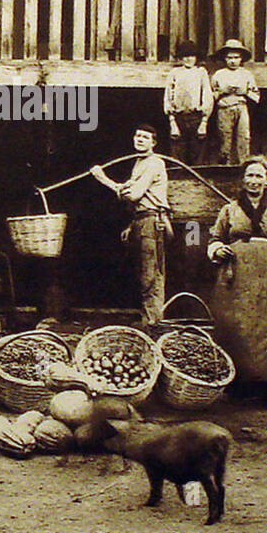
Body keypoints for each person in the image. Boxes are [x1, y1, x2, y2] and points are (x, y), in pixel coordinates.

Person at [206, 157, 267, 385]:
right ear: (242, 180)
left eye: (259, 175)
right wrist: (218, 250)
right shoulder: (229, 209)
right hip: (237, 275)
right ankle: (238, 383)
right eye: (250, 175)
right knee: (239, 324)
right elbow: (215, 238)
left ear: (266, 180)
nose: (254, 180)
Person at [90, 124, 172, 327]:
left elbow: (134, 194)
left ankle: (153, 325)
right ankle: (150, 321)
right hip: (141, 220)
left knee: (150, 276)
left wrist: (103, 179)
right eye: (137, 135)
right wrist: (132, 224)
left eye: (145, 137)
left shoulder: (155, 163)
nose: (140, 139)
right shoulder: (138, 163)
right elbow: (132, 195)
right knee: (142, 274)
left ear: (154, 143)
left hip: (153, 222)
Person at [162, 41, 213, 164]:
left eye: (191, 56)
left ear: (196, 57)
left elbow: (207, 95)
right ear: (180, 58)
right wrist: (172, 122)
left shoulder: (201, 72)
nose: (188, 59)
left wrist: (204, 122)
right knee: (178, 150)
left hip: (196, 117)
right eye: (185, 56)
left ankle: (197, 179)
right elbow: (168, 96)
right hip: (179, 116)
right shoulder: (174, 73)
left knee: (197, 151)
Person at [211, 39, 260, 165]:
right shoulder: (219, 74)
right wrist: (222, 91)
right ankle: (224, 167)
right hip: (225, 108)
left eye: (236, 57)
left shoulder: (246, 74)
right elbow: (210, 97)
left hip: (241, 107)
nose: (233, 61)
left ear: (241, 59)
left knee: (244, 138)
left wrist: (244, 92)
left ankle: (243, 165)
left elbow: (256, 97)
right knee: (224, 139)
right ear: (225, 59)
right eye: (229, 58)